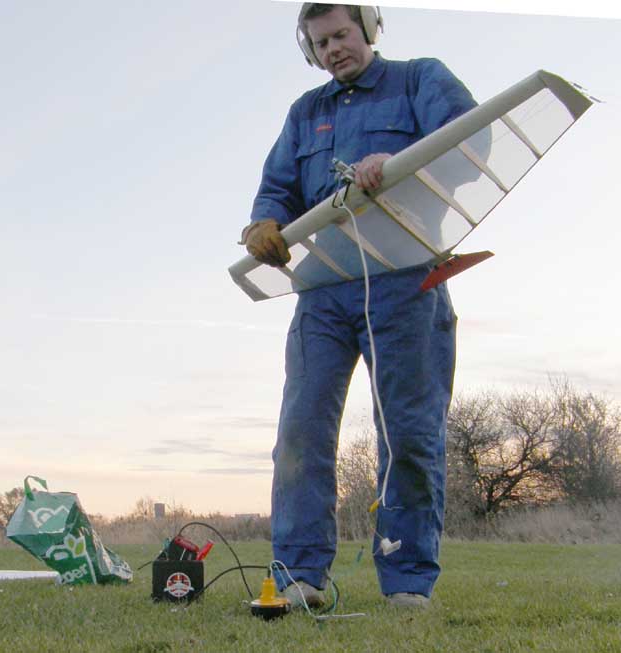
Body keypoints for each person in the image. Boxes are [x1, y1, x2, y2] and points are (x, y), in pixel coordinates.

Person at [241, 3, 478, 609]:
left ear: (368, 30)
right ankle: (300, 577)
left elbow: (470, 142)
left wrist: (400, 166)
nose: (333, 50)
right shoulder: (306, 114)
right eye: (320, 43)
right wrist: (262, 224)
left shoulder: (420, 79)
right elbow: (276, 189)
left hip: (405, 279)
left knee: (408, 431)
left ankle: (406, 581)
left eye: (342, 35)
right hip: (323, 286)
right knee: (300, 432)